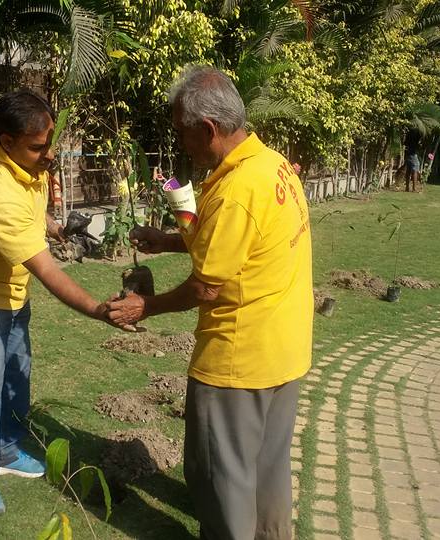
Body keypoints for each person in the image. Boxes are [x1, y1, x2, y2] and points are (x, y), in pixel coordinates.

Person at [107, 66, 314, 540]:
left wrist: (145, 307)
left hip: (238, 363)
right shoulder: (271, 165)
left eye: (182, 131)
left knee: (222, 476)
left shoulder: (238, 189)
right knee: (267, 470)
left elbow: (206, 288)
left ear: (207, 129)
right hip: (285, 352)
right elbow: (235, 244)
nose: (181, 143)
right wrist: (168, 240)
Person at [0, 90, 125, 517]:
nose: (50, 154)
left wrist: (54, 226)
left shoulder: (25, 160)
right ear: (6, 142)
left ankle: (4, 449)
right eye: (39, 147)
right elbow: (48, 272)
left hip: (11, 291)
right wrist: (98, 309)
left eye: (51, 141)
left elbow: (31, 206)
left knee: (16, 374)